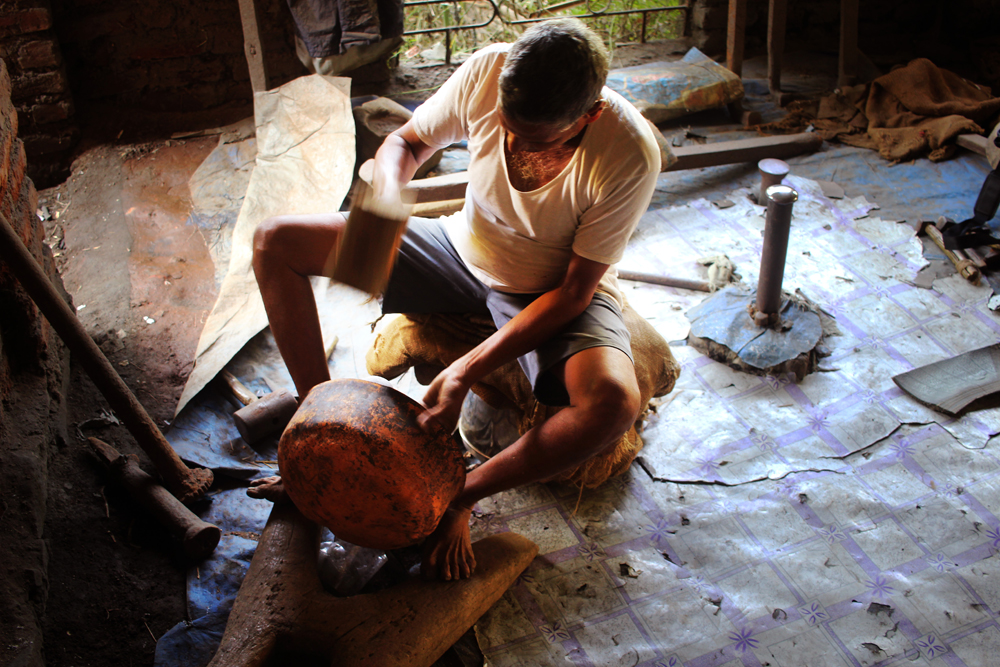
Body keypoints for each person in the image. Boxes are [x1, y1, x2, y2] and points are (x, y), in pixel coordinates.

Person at [248, 18, 660, 580]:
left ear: (588, 116)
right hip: (457, 247)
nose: (515, 147)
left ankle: (458, 496)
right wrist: (386, 199)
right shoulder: (489, 69)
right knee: (275, 242)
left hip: (547, 287)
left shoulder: (628, 153)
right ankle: (317, 428)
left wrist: (467, 369)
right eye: (508, 129)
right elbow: (407, 142)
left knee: (612, 404)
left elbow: (573, 292)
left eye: (537, 141)